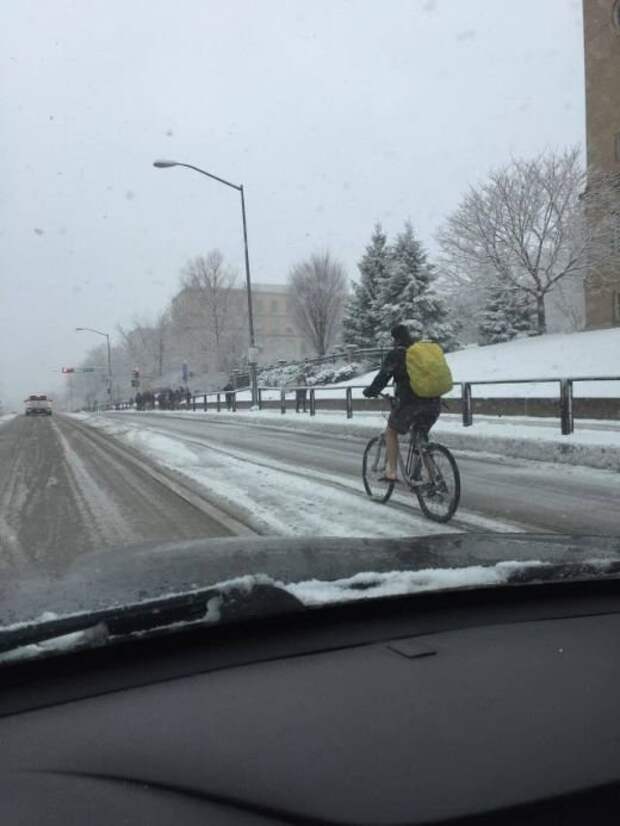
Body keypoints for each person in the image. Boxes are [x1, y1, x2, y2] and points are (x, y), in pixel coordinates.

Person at [363, 323, 440, 482]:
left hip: (411, 403)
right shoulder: (420, 352)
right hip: (433, 401)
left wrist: (370, 391)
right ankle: (435, 479)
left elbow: (383, 376)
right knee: (420, 439)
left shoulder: (396, 354)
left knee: (391, 432)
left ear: (395, 339)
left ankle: (391, 472)